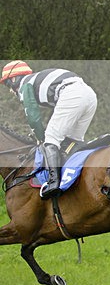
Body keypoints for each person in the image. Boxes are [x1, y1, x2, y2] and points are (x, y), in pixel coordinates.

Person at [0, 60, 97, 199]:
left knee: (51, 138)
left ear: (15, 78)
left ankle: (53, 182)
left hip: (72, 93)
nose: (10, 89)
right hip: (89, 95)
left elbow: (33, 116)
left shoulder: (24, 85)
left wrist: (41, 137)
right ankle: (75, 179)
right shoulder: (35, 81)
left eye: (8, 83)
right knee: (71, 141)